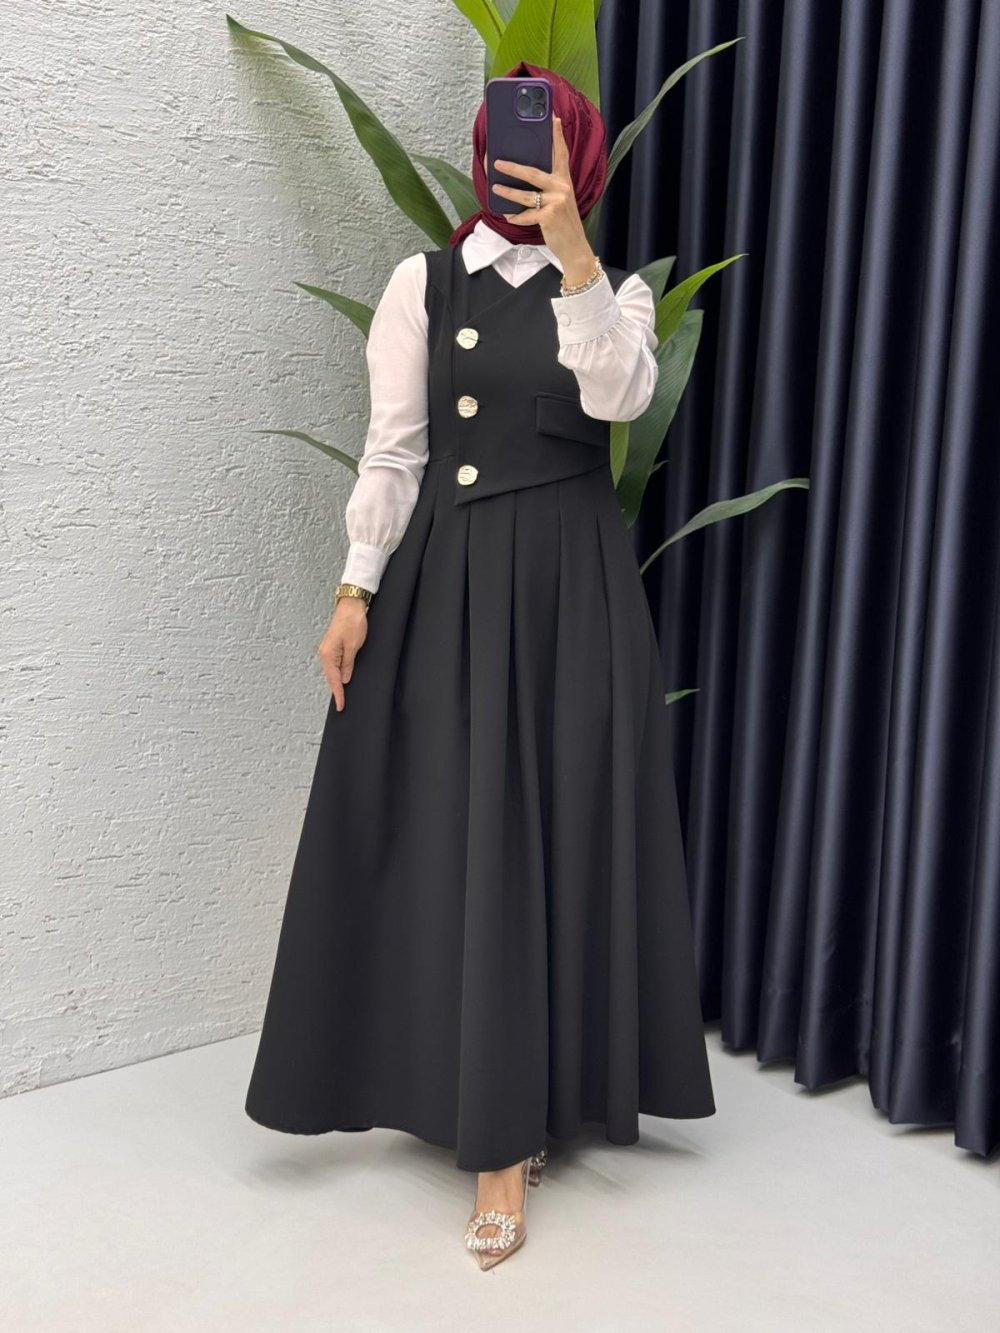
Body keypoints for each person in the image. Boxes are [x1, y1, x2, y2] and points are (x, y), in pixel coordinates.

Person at [244, 60, 716, 1271]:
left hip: (573, 597)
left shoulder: (609, 292)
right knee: (462, 835)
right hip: (449, 587)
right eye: (511, 141)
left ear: (580, 162)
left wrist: (573, 255)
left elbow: (619, 393)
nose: (526, 163)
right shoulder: (425, 282)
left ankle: (530, 1117)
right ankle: (486, 1125)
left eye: (550, 146)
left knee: (560, 829)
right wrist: (354, 591)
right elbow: (393, 452)